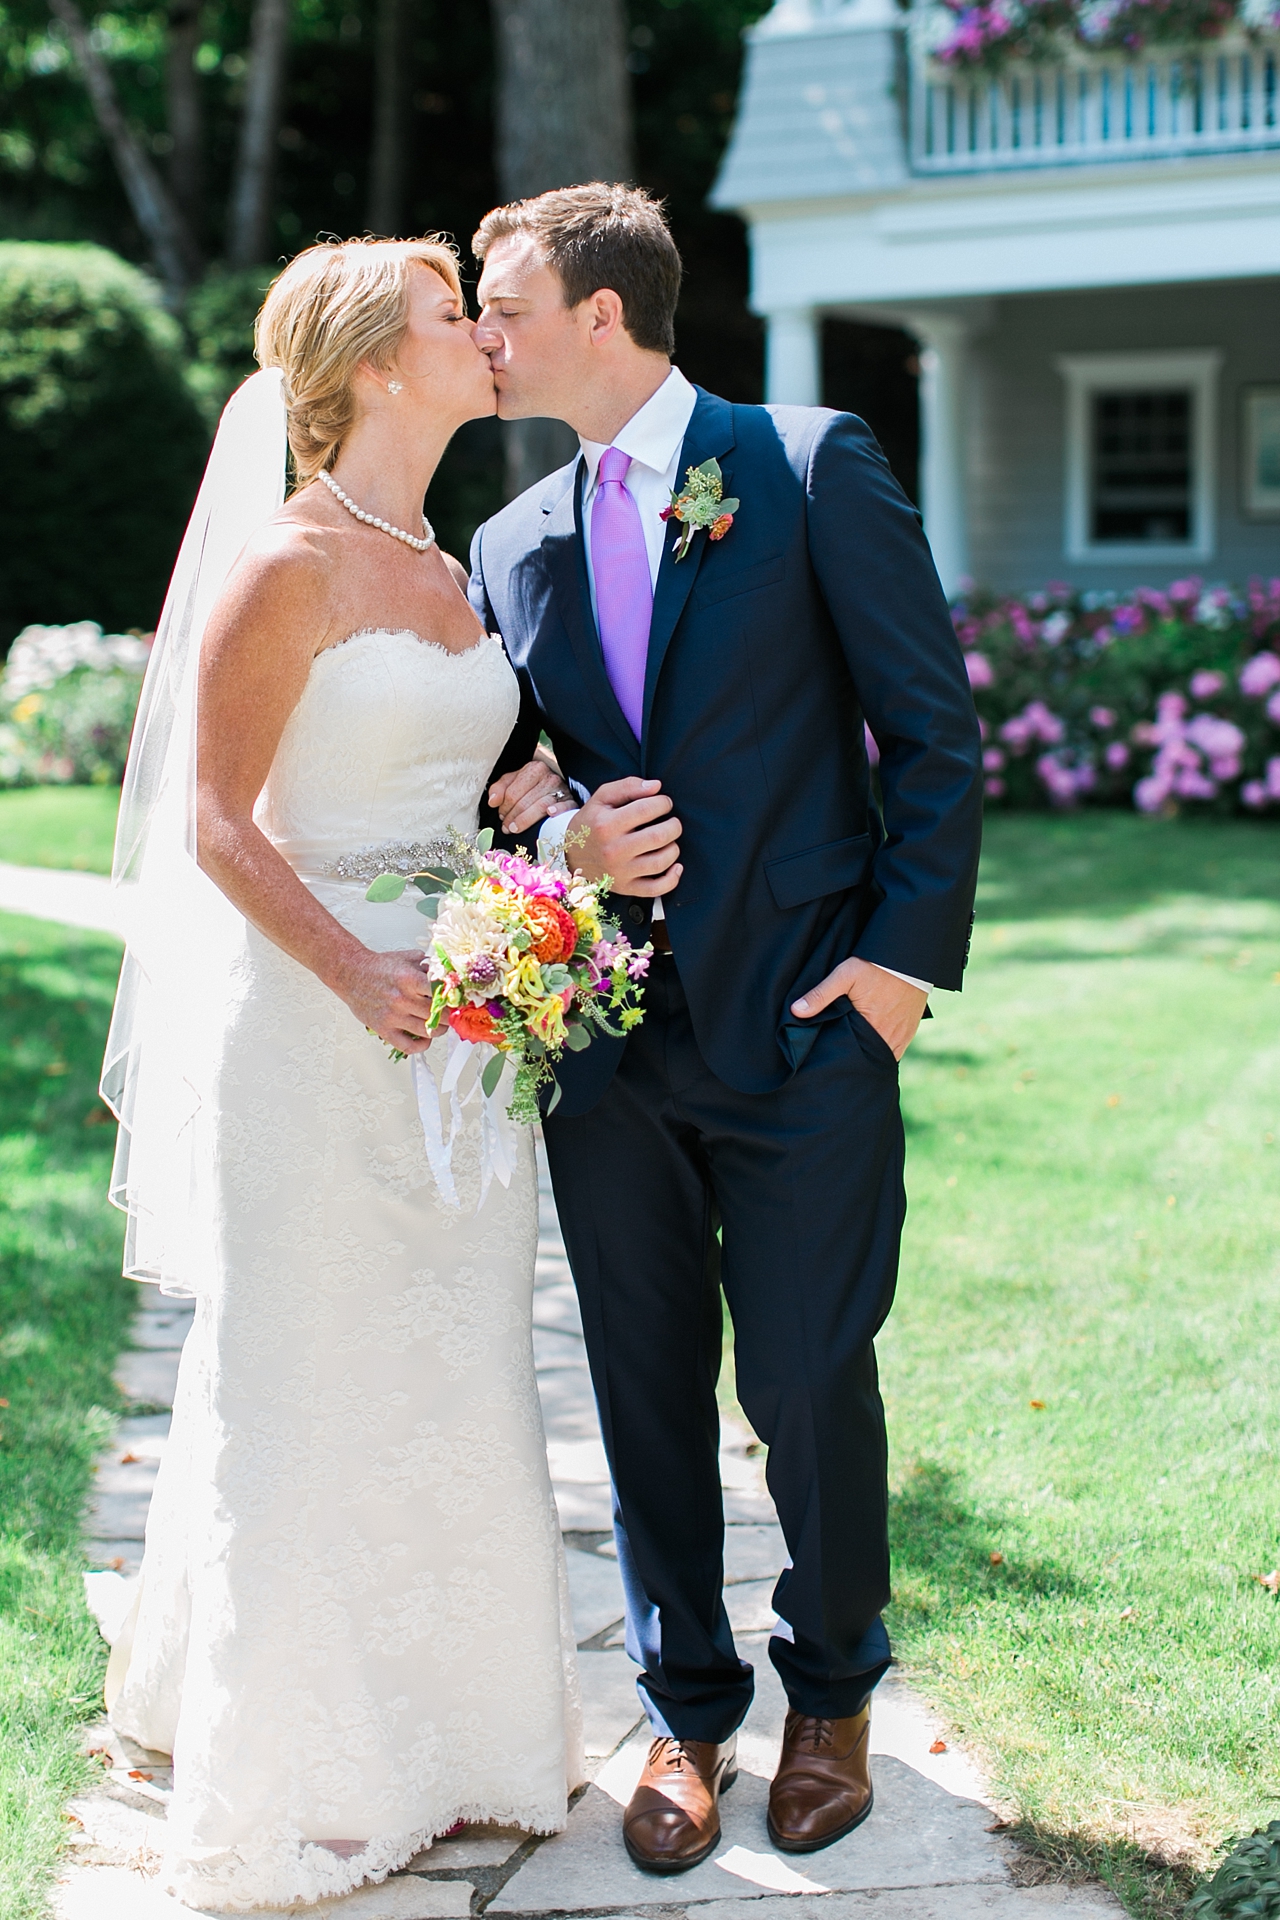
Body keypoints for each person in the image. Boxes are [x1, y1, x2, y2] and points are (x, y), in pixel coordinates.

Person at [471, 183, 983, 1874]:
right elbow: (496, 790)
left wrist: (898, 976)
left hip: (808, 1019)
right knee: (637, 1385)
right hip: (608, 1049)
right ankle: (686, 1712)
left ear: (600, 316)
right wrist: (560, 842)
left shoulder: (804, 461)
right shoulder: (509, 543)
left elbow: (930, 731)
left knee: (813, 1376)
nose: (486, 331)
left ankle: (831, 1692)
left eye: (505, 302)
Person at [100, 237, 583, 1911]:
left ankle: (462, 1734)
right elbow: (215, 822)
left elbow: (453, 782)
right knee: (307, 1372)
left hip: (461, 1034)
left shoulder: (448, 566)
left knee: (448, 1371)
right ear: (379, 363)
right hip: (316, 1028)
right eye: (458, 316)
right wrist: (357, 969)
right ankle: (301, 1759)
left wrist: (525, 858)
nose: (486, 336)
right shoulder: (290, 563)